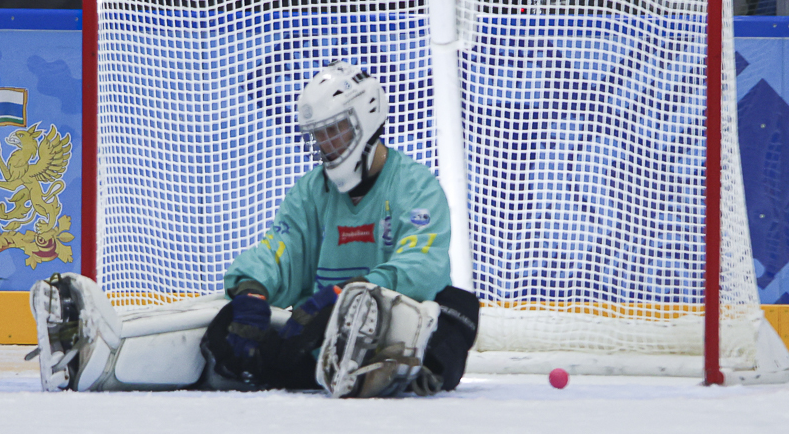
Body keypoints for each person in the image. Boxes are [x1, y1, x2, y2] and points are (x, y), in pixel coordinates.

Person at [29, 61, 480, 398]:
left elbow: (420, 266)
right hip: (322, 323)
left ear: (368, 119)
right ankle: (99, 359)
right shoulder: (312, 190)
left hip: (396, 319)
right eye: (319, 136)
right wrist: (250, 293)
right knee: (228, 331)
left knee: (455, 311)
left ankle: (371, 364)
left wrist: (347, 294)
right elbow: (280, 249)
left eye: (336, 133)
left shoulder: (416, 186)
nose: (326, 146)